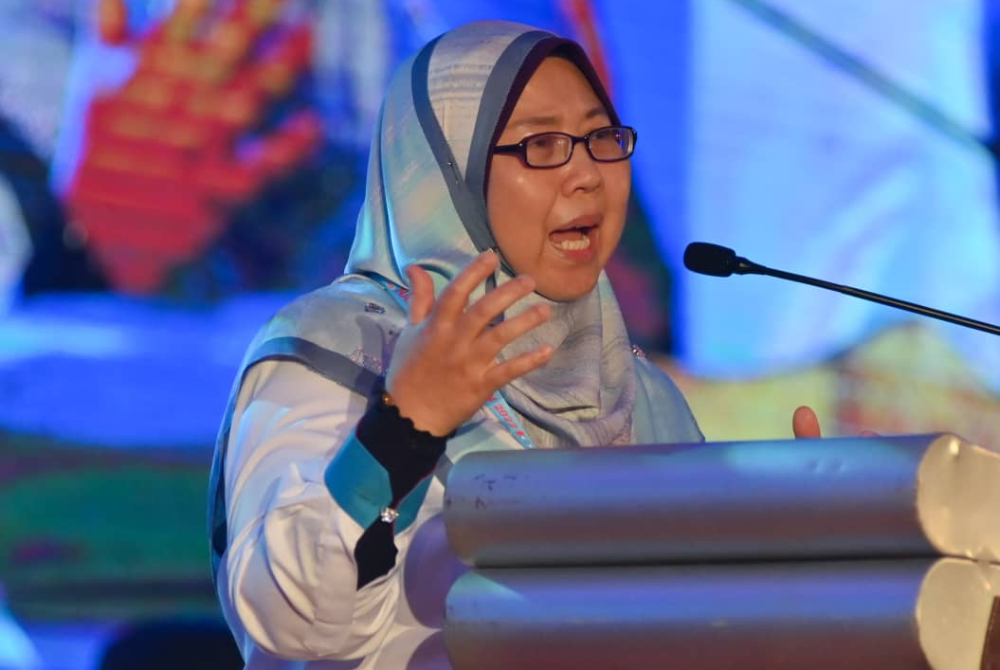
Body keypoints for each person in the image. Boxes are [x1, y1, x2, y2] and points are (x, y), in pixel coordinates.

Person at [207, 18, 821, 669]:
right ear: (447, 169)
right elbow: (294, 625)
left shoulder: (643, 396)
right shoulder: (341, 348)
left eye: (601, 138)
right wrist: (403, 430)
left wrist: (798, 559)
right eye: (544, 144)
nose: (587, 174)